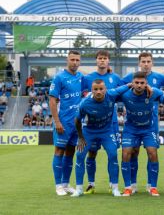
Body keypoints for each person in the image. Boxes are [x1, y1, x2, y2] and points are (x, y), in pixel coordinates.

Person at [71, 80, 131, 197]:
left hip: (106, 131)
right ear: (91, 90)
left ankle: (114, 188)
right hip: (89, 131)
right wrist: (81, 137)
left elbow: (127, 86)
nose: (98, 92)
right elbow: (77, 120)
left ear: (105, 89)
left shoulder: (112, 94)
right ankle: (79, 189)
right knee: (79, 155)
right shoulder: (85, 103)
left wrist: (132, 84)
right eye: (96, 89)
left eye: (101, 89)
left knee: (113, 154)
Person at [122, 52, 164, 193]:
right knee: (132, 152)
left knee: (152, 152)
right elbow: (117, 88)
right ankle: (132, 185)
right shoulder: (128, 78)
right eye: (143, 61)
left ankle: (151, 186)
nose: (146, 64)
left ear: (152, 63)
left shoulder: (159, 78)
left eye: (148, 61)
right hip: (132, 125)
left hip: (151, 125)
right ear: (139, 63)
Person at [80, 50, 123, 195]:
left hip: (112, 123)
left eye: (105, 58)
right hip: (92, 123)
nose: (102, 61)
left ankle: (113, 184)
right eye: (100, 58)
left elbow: (124, 93)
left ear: (108, 61)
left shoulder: (115, 78)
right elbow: (82, 96)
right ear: (96, 60)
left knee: (112, 153)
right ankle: (91, 184)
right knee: (91, 153)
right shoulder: (88, 78)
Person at [119, 71, 162, 197]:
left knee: (152, 153)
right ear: (132, 83)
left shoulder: (153, 93)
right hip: (131, 129)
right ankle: (129, 187)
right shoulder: (125, 95)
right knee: (127, 154)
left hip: (148, 129)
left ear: (146, 84)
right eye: (136, 83)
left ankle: (153, 187)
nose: (139, 85)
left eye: (142, 83)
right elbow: (111, 94)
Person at [49, 50, 83, 196]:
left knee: (70, 152)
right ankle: (58, 186)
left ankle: (66, 183)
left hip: (76, 123)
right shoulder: (59, 77)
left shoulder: (82, 77)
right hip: (63, 122)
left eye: (77, 60)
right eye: (72, 59)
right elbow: (52, 100)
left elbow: (97, 83)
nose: (75, 62)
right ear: (67, 60)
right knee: (59, 151)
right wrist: (57, 121)